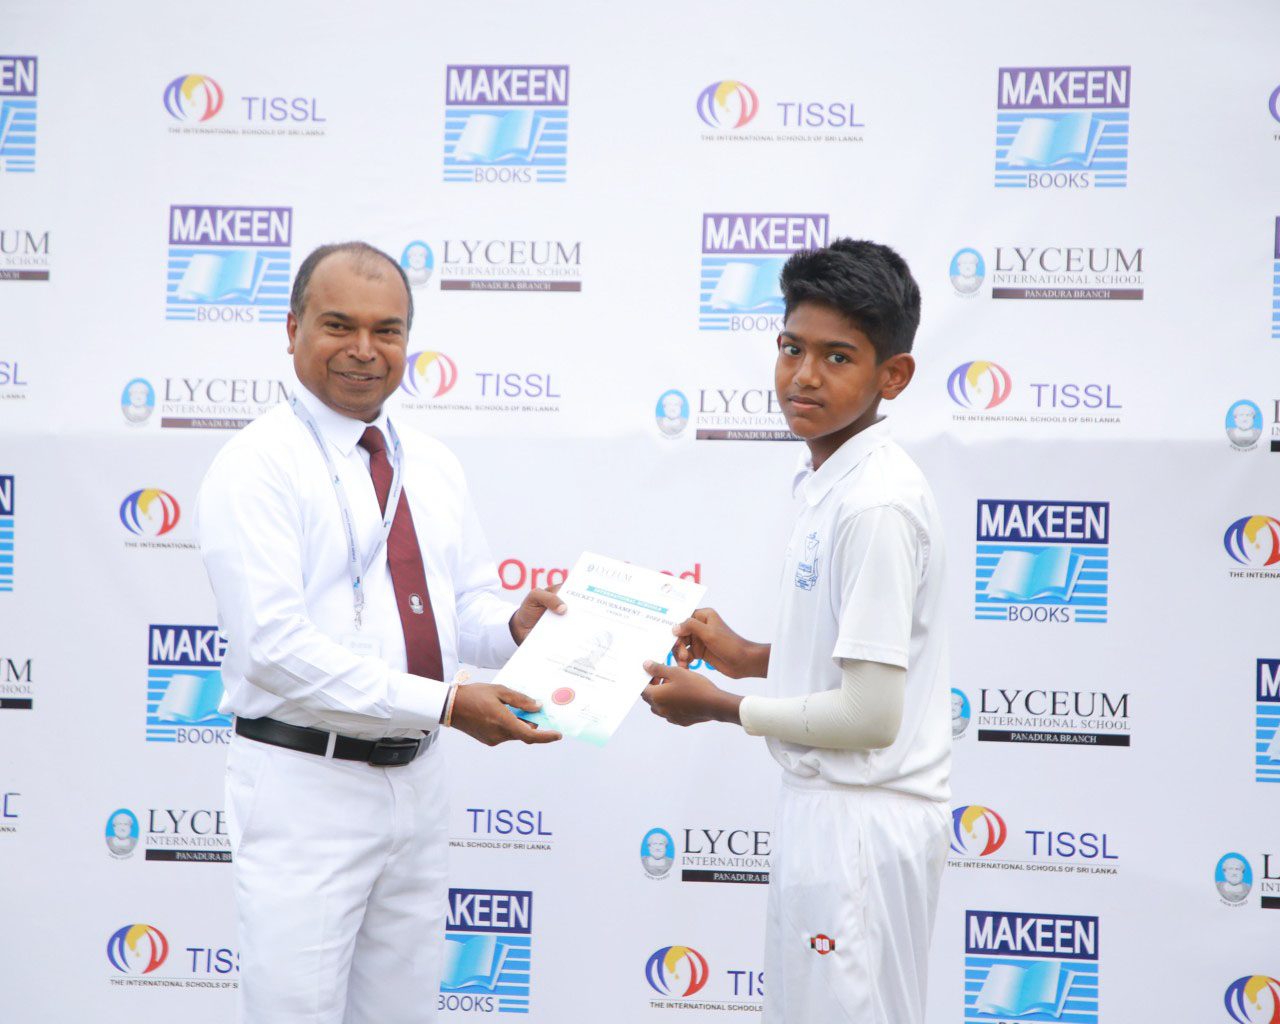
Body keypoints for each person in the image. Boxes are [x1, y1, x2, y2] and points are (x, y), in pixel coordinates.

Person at [196, 241, 564, 1024]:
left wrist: (515, 625)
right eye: (339, 326)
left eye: (388, 330)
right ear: (291, 328)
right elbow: (275, 649)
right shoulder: (256, 465)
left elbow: (464, 610)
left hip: (416, 782)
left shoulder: (427, 461)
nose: (365, 351)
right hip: (306, 786)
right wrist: (444, 704)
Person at [643, 239, 950, 1024]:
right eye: (792, 348)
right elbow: (860, 658)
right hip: (829, 817)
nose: (804, 376)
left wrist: (719, 705)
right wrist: (748, 659)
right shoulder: (836, 481)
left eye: (837, 356)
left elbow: (870, 714)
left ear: (894, 376)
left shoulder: (874, 502)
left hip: (859, 823)